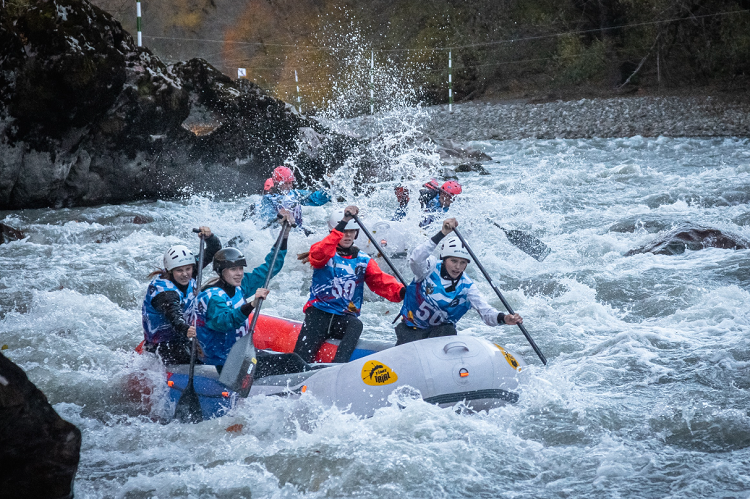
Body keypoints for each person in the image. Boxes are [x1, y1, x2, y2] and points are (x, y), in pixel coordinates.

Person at [294, 206, 405, 363]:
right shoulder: (322, 251)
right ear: (334, 231)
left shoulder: (363, 260)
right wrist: (344, 221)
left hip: (344, 318)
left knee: (356, 325)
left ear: (356, 233)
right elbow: (320, 254)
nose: (347, 235)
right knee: (300, 359)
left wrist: (402, 292)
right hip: (318, 314)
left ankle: (338, 365)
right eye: (344, 231)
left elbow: (380, 282)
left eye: (351, 231)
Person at [395, 218, 523, 345]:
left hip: (440, 335)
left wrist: (504, 318)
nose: (458, 267)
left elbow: (486, 312)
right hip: (410, 330)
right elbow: (415, 260)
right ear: (444, 259)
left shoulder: (467, 286)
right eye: (454, 261)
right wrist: (442, 233)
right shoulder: (430, 268)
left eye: (462, 263)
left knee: (447, 329)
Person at [195, 212, 294, 372]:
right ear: (221, 271)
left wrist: (285, 234)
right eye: (233, 269)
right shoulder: (213, 296)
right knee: (291, 362)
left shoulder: (240, 285)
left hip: (238, 355)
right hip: (221, 362)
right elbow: (225, 322)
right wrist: (252, 304)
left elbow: (271, 267)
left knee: (292, 359)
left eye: (241, 268)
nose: (239, 273)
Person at [141, 227, 221, 364]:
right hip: (163, 345)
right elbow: (175, 318)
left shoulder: (191, 271)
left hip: (185, 334)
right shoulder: (165, 294)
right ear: (170, 271)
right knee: (203, 356)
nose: (185, 274)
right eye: (179, 271)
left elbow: (214, 250)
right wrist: (187, 331)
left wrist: (209, 237)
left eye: (188, 269)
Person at [259, 166, 331, 234]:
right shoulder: (268, 198)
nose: (289, 186)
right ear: (277, 184)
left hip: (297, 232)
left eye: (290, 183)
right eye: (286, 183)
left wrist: (328, 188)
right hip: (280, 233)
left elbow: (317, 199)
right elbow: (266, 219)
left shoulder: (296, 194)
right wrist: (280, 215)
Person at [392, 179, 462, 227]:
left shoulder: (454, 210)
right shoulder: (431, 195)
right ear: (441, 193)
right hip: (408, 221)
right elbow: (414, 198)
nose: (445, 198)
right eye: (444, 195)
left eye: (450, 198)